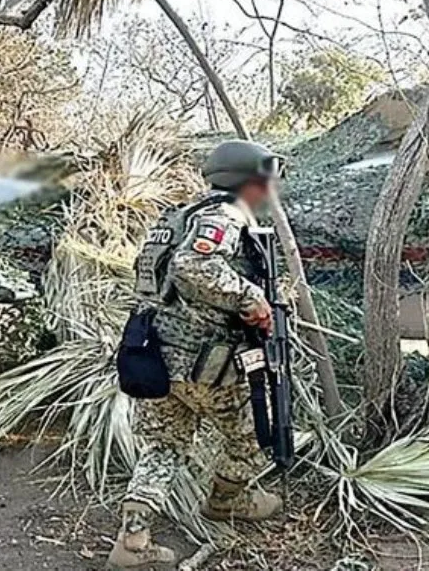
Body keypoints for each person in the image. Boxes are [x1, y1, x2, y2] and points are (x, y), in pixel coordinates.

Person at [108, 140, 286, 569]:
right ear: (246, 180)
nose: (268, 191)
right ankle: (227, 501)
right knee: (254, 432)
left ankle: (132, 542)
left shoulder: (175, 219)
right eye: (264, 182)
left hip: (154, 360)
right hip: (206, 364)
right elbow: (193, 267)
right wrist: (252, 300)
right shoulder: (221, 217)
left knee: (164, 446)